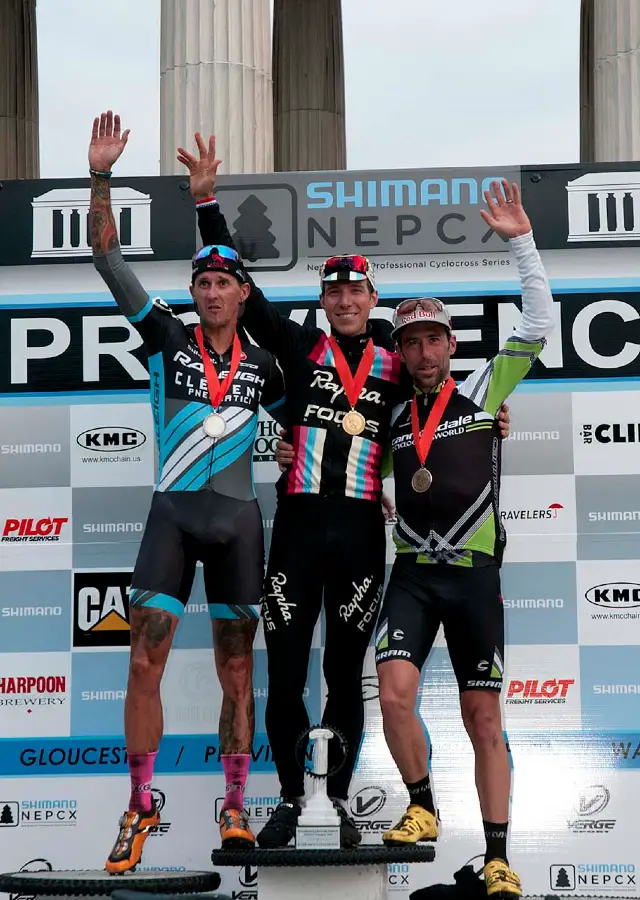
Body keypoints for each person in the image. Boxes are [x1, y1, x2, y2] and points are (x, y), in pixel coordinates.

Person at [177, 135, 511, 850]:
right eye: (335, 291)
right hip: (298, 529)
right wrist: (207, 202)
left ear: (371, 298)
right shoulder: (296, 347)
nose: (347, 300)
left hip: (362, 533)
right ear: (325, 301)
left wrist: (491, 419)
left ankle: (337, 802)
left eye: (357, 290)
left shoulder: (399, 355)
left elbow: (447, 394)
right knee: (289, 669)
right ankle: (293, 801)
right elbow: (245, 288)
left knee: (343, 675)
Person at [88, 112, 287, 871]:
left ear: (242, 293)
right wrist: (102, 176)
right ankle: (139, 807)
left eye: (222, 281)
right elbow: (107, 256)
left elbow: (317, 432)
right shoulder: (165, 336)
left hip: (239, 523)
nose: (210, 291)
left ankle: (235, 806)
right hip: (171, 519)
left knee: (239, 674)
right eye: (200, 282)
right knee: (144, 664)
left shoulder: (267, 367)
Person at [374, 180, 554, 898]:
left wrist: (521, 241)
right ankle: (421, 805)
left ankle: (500, 857)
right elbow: (328, 448)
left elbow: (540, 322)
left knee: (483, 717)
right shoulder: (384, 409)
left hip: (476, 573)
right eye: (410, 342)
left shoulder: (485, 388)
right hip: (413, 572)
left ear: (450, 343)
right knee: (392, 695)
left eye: (432, 339)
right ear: (400, 351)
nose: (422, 352)